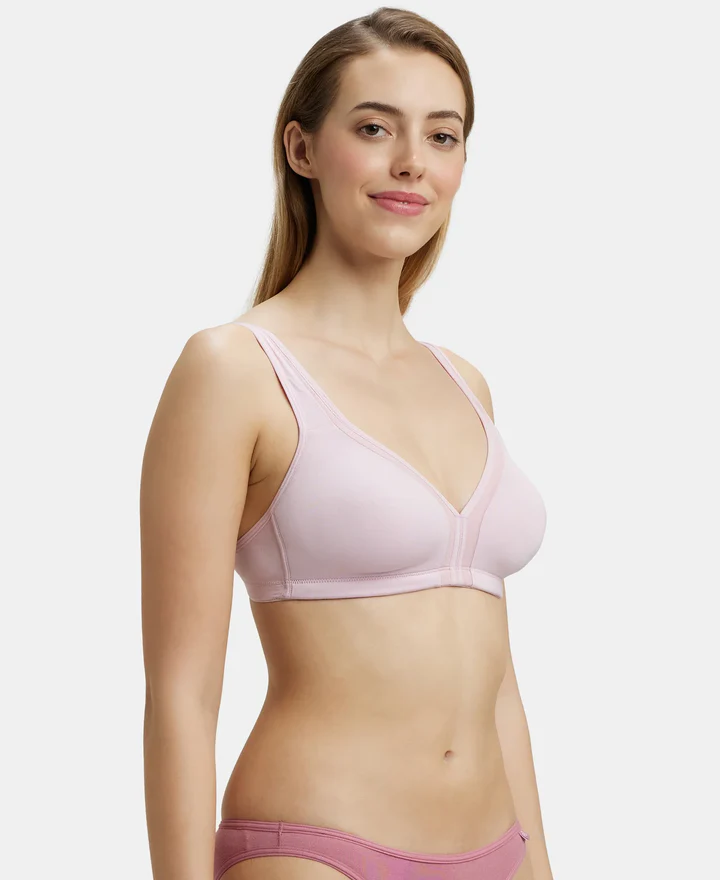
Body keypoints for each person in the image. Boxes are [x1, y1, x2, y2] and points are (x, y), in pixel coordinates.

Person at [141, 8, 553, 880]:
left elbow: (498, 683)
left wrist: (540, 860)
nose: (412, 161)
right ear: (302, 148)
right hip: (318, 849)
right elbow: (183, 694)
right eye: (374, 128)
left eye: (442, 135)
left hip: (497, 849)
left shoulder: (464, 383)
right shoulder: (234, 369)